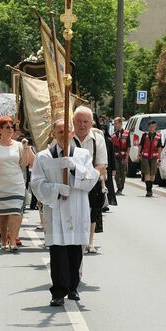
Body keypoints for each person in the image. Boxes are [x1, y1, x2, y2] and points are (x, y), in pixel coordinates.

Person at [31, 119, 101, 307]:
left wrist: (74, 167)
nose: (64, 135)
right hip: (56, 209)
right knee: (58, 252)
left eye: (67, 131)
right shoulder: (44, 157)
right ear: (54, 135)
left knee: (74, 250)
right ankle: (59, 291)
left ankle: (73, 287)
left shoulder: (82, 155)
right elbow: (36, 183)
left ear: (72, 133)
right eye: (59, 132)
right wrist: (55, 189)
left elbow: (91, 178)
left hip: (77, 207)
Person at [0, 117, 34, 251]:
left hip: (16, 184)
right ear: (0, 130)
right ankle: (3, 239)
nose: (10, 129)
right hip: (0, 185)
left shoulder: (18, 145)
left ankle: (13, 239)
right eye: (7, 127)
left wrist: (25, 148)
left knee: (16, 213)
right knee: (2, 215)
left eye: (12, 127)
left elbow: (24, 164)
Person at [72, 106, 108, 252]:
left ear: (91, 122)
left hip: (92, 181)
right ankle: (73, 240)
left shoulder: (98, 139)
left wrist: (87, 177)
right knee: (73, 212)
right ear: (73, 122)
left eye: (86, 122)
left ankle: (89, 241)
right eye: (79, 121)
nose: (82, 125)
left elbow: (102, 165)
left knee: (92, 212)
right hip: (71, 182)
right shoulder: (67, 138)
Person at [139, 120, 162, 198]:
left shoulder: (158, 136)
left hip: (154, 157)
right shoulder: (145, 135)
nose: (152, 128)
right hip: (145, 157)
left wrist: (159, 158)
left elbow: (159, 148)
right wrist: (139, 154)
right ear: (149, 127)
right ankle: (148, 190)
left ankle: (150, 189)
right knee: (147, 173)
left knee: (152, 174)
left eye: (153, 126)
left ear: (155, 127)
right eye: (150, 127)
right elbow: (140, 145)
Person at [110, 117, 129, 195]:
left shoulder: (126, 133)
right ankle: (119, 187)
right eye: (114, 124)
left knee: (123, 173)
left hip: (124, 156)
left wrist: (127, 158)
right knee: (116, 172)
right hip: (116, 156)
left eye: (116, 123)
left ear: (120, 123)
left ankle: (122, 187)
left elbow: (129, 146)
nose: (115, 125)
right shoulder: (113, 135)